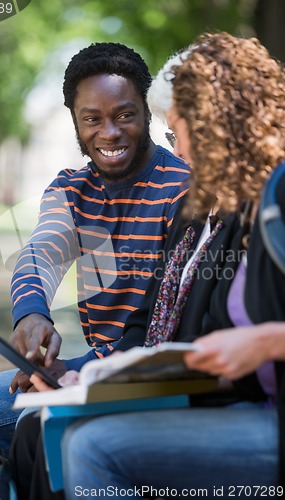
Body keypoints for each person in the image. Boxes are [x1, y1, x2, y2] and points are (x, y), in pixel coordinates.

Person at [30, 32, 285, 498]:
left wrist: (266, 340)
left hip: (254, 411)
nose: (179, 149)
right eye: (172, 133)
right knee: (44, 423)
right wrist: (89, 379)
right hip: (209, 396)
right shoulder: (211, 215)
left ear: (217, 124)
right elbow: (152, 325)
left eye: (178, 129)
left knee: (94, 445)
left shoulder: (270, 201)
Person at [0, 42, 190, 468]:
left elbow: (169, 322)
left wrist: (84, 379)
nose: (109, 133)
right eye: (91, 119)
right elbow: (42, 251)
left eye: (124, 115)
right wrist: (31, 315)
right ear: (75, 123)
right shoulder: (71, 189)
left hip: (158, 379)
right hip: (90, 370)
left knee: (49, 437)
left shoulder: (183, 188)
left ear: (146, 113)